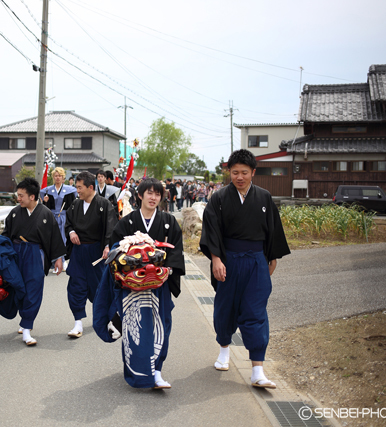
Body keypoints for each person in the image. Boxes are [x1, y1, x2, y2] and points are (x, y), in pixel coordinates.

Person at [199, 149, 290, 389]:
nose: (239, 177)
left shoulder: (264, 197)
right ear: (229, 172)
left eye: (244, 173)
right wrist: (216, 259)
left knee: (256, 310)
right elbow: (212, 230)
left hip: (257, 260)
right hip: (229, 260)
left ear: (253, 173)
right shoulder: (218, 198)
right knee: (225, 306)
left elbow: (272, 229)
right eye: (235, 172)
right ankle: (224, 350)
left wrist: (272, 257)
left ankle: (257, 370)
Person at [93, 177, 185, 389]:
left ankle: (158, 371)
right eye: (149, 193)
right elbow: (115, 249)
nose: (153, 197)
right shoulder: (127, 221)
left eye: (157, 194)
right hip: (132, 287)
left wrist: (167, 269)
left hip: (159, 284)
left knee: (160, 326)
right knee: (135, 327)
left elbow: (176, 250)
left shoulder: (169, 221)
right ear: (140, 195)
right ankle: (137, 372)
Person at [2, 178, 66, 346]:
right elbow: (5, 235)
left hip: (35, 254)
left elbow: (54, 239)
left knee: (34, 290)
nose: (18, 199)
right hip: (16, 253)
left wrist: (58, 259)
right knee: (18, 288)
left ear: (32, 197)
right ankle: (25, 319)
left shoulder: (45, 214)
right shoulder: (15, 213)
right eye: (18, 195)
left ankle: (27, 328)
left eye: (21, 196)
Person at [64, 172, 117, 338]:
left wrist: (108, 246)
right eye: (76, 187)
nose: (77, 190)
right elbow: (68, 223)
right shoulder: (74, 204)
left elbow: (111, 228)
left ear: (90, 187)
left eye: (80, 187)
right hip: (79, 252)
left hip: (97, 253)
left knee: (100, 287)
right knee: (76, 286)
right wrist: (71, 232)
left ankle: (108, 318)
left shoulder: (104, 204)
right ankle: (78, 322)